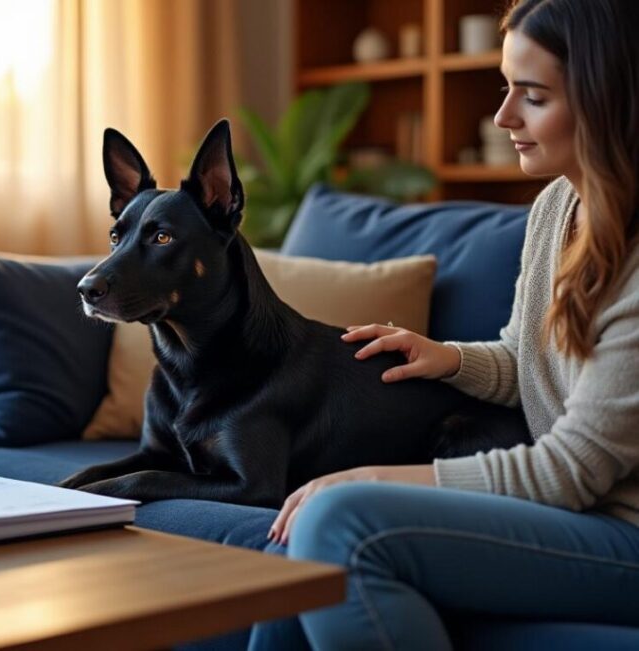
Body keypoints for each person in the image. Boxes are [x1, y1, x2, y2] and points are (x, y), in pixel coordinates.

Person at [252, 0, 639, 648]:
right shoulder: (555, 208)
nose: (503, 117)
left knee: (342, 519)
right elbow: (530, 358)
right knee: (293, 548)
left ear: (607, 102)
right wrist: (449, 357)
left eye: (534, 97)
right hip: (579, 514)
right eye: (505, 88)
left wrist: (368, 475)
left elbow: (571, 467)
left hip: (622, 533)